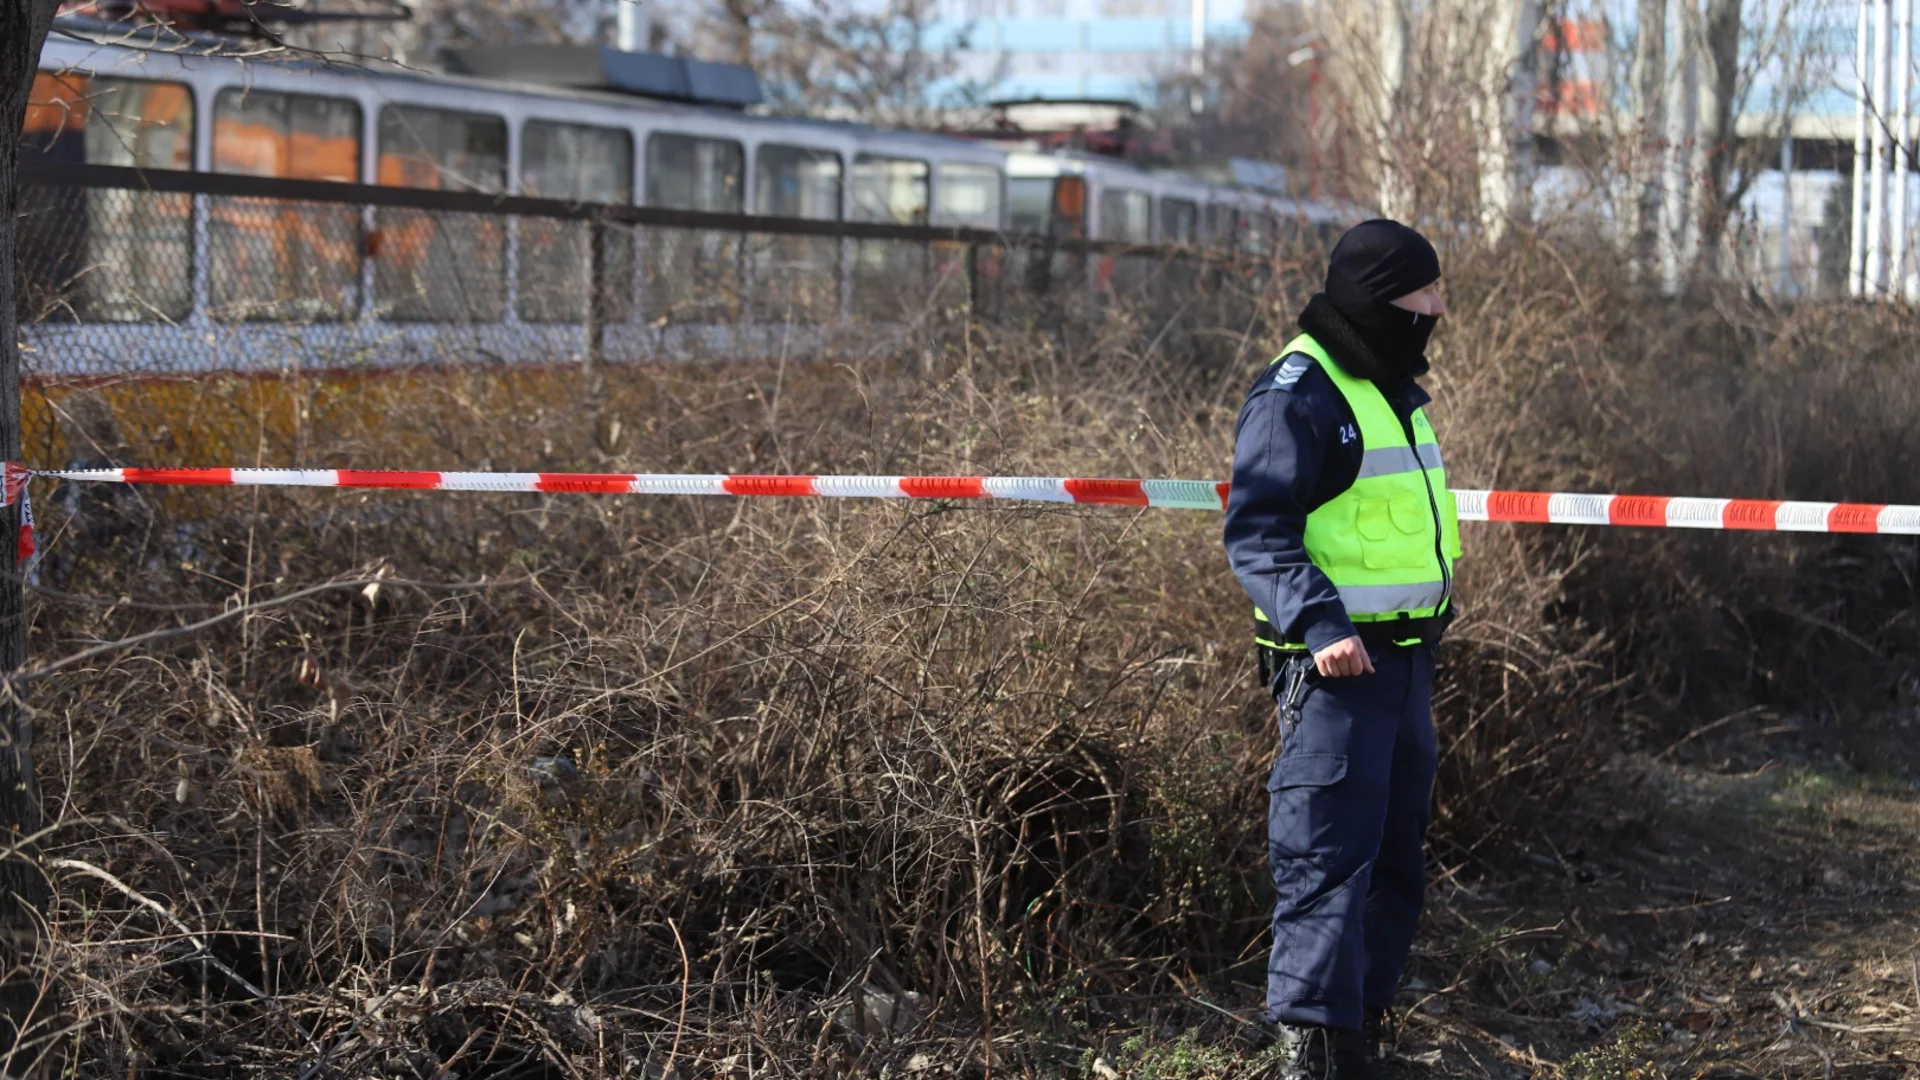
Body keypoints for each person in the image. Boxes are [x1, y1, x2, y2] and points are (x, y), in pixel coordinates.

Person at [1222, 219, 1460, 1079]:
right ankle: (1312, 1051)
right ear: (1378, 298)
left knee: (1397, 855)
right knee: (1324, 857)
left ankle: (1359, 1031)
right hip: (1336, 673)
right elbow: (1257, 532)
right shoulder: (1298, 393)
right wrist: (1321, 626)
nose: (1437, 308)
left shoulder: (1389, 386)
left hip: (1404, 666)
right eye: (1422, 294)